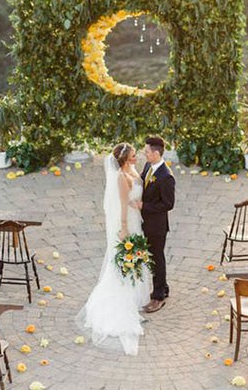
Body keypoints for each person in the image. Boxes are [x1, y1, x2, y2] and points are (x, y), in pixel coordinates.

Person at [75, 142, 150, 355]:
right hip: (128, 223)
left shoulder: (133, 170)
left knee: (136, 259)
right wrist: (124, 228)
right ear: (126, 159)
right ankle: (120, 299)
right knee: (126, 258)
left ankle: (134, 296)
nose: (137, 158)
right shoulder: (120, 177)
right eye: (134, 155)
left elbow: (137, 195)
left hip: (137, 219)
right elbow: (123, 204)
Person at [138, 135, 175, 313]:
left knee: (156, 259)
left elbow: (168, 204)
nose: (144, 154)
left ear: (155, 153)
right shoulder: (148, 166)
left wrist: (145, 205)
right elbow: (141, 181)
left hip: (157, 226)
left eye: (146, 151)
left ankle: (158, 296)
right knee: (154, 257)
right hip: (146, 222)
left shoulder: (166, 176)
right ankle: (164, 287)